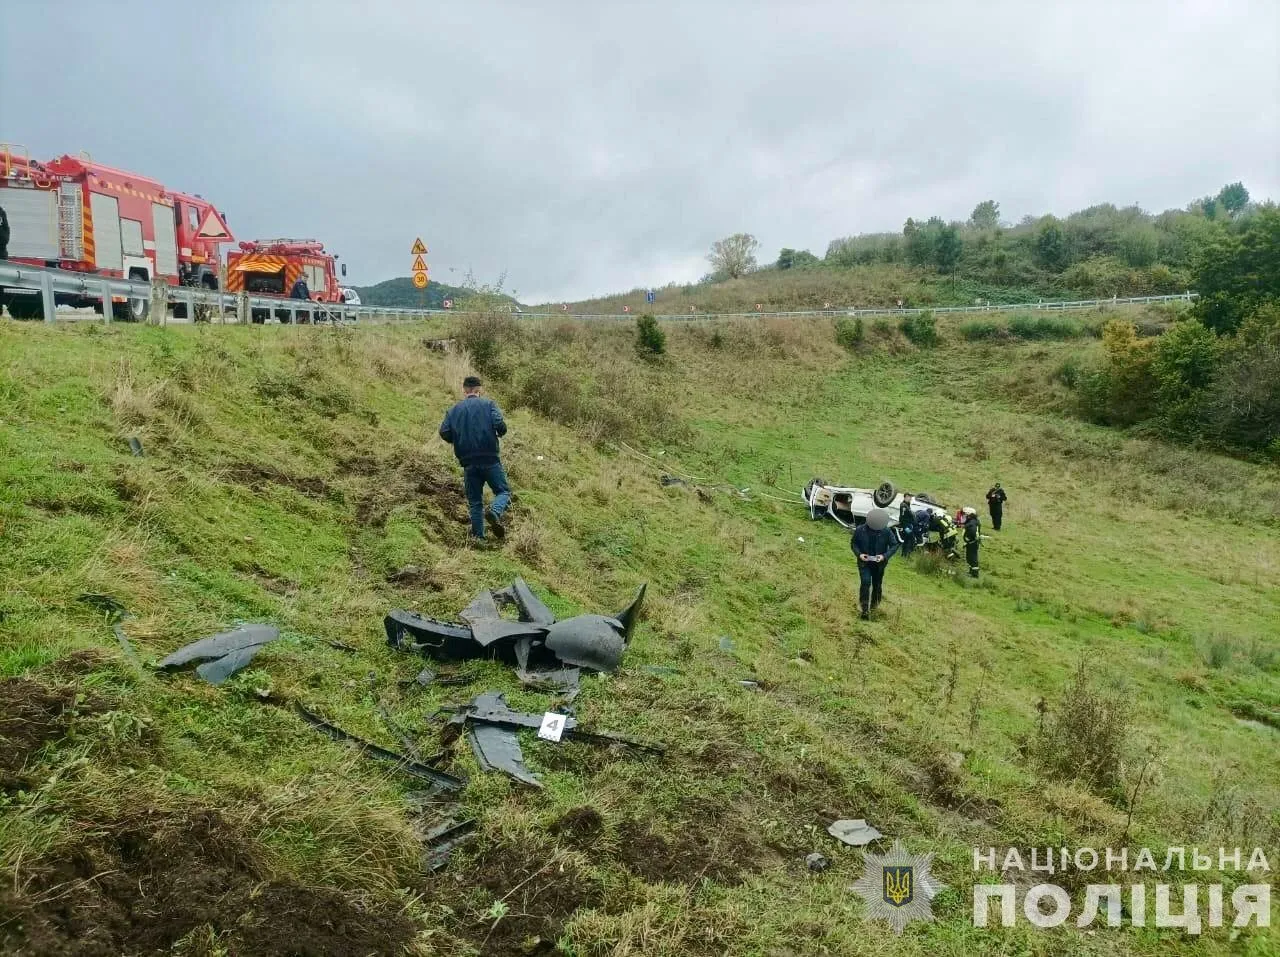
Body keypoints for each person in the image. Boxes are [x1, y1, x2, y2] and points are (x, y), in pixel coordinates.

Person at [439, 375, 510, 541]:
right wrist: (500, 431)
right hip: (489, 458)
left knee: (475, 502)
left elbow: (444, 432)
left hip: (468, 462)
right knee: (503, 491)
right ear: (479, 390)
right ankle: (494, 511)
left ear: (464, 390)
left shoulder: (454, 410)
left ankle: (479, 538)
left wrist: (458, 439)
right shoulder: (489, 404)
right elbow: (499, 424)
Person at [852, 507, 895, 620]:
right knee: (865, 583)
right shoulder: (860, 530)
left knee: (877, 585)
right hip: (864, 563)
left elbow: (894, 545)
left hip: (879, 564)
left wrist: (884, 556)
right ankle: (864, 609)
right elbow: (854, 543)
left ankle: (874, 608)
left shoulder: (886, 531)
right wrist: (859, 554)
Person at [962, 506, 982, 578]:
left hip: (972, 542)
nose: (966, 516)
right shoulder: (974, 521)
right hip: (971, 542)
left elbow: (973, 532)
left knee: (972, 558)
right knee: (969, 557)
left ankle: (975, 574)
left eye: (967, 515)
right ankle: (971, 572)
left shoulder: (972, 522)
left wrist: (968, 539)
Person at [898, 493, 916, 557]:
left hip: (909, 525)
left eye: (911, 497)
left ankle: (904, 554)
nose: (910, 498)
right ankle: (908, 554)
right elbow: (902, 517)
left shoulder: (907, 505)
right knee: (912, 539)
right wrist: (904, 526)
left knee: (907, 540)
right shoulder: (903, 505)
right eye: (909, 497)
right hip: (906, 526)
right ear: (906, 497)